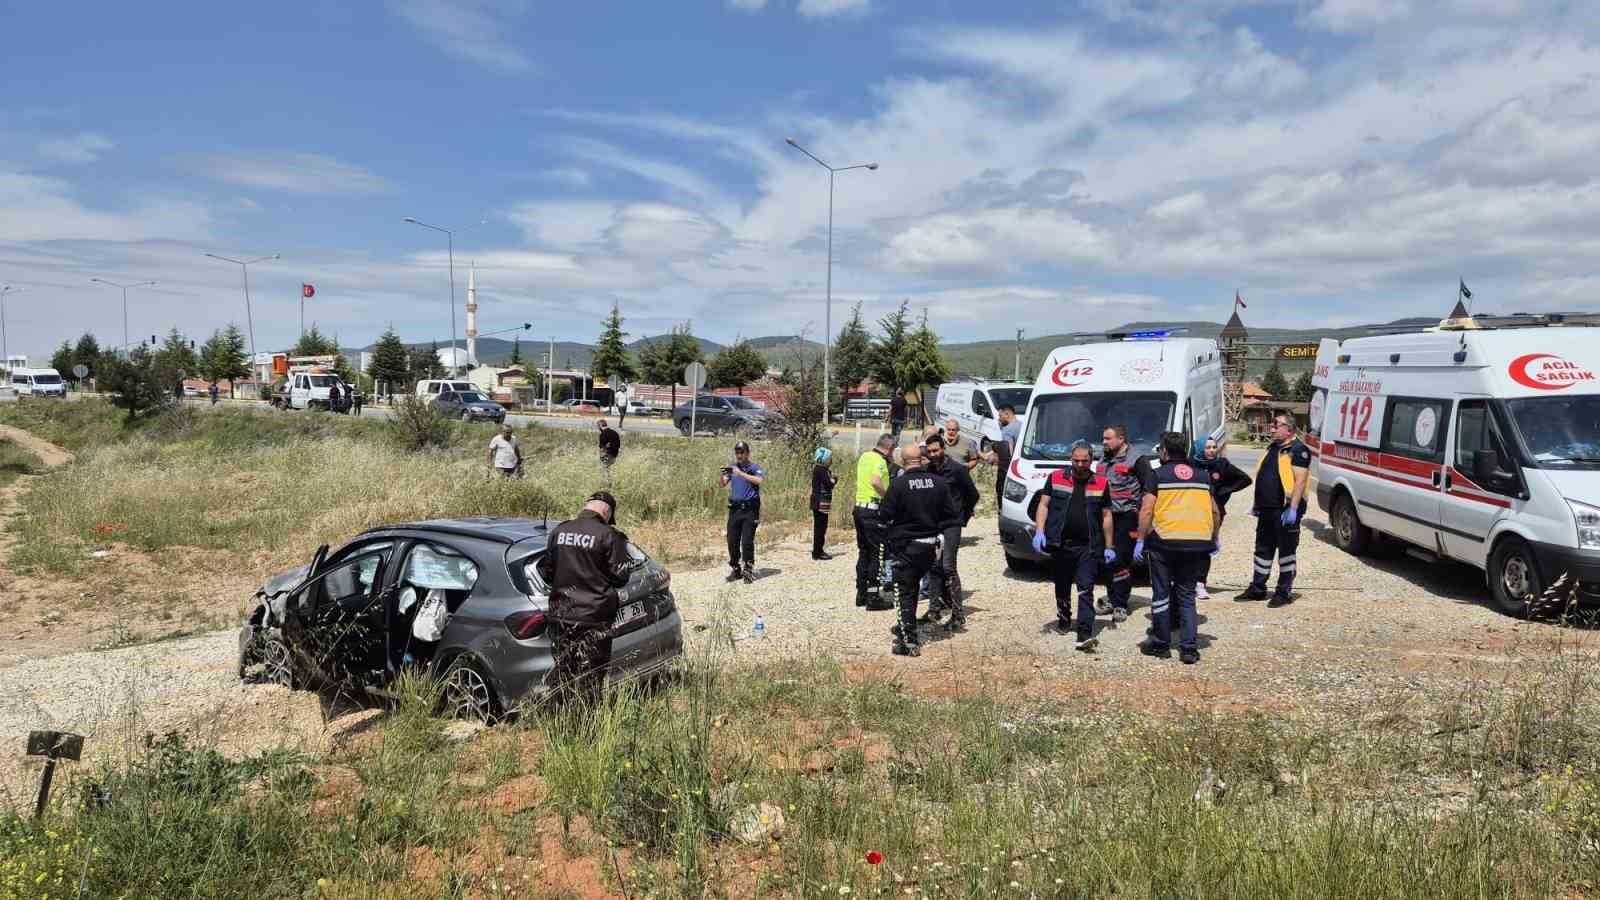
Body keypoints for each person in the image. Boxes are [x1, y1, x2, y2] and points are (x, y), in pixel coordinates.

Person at [537, 491, 631, 705]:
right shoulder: (609, 535)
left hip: (562, 615)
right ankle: (587, 723)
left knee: (563, 671)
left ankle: (561, 720)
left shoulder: (559, 531)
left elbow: (547, 571)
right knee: (592, 675)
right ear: (607, 512)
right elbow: (620, 577)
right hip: (595, 616)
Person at [1135, 432, 1220, 665]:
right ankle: (1189, 649)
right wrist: (1215, 536)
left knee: (1162, 593)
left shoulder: (1157, 475)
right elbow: (1214, 510)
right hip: (1196, 544)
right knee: (1187, 595)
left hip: (1165, 542)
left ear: (1164, 451)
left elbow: (1146, 510)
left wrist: (1141, 538)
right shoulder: (1203, 476)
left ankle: (1161, 644)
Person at [878, 444, 960, 657]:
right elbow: (951, 516)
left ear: (902, 460)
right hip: (930, 546)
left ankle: (908, 642)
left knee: (906, 591)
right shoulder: (939, 483)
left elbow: (884, 516)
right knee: (914, 588)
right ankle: (907, 625)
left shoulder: (899, 485)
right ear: (921, 459)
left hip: (906, 547)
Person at [1031, 441, 1110, 652]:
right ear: (1071, 460)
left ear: (1091, 460)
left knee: (1086, 588)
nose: (1081, 464)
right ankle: (1064, 619)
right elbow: (1044, 505)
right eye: (1077, 460)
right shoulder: (1056, 478)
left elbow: (1106, 515)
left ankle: (1084, 633)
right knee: (1062, 585)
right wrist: (1039, 531)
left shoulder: (1101, 483)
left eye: (1085, 461)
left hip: (1088, 546)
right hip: (1061, 544)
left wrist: (1109, 545)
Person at [1238, 414, 1312, 607]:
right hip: (1266, 509)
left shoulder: (1298, 450)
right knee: (1262, 549)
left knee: (1286, 552)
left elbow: (1300, 480)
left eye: (1276, 425)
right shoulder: (1273, 447)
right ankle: (1258, 588)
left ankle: (1283, 591)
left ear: (1289, 429)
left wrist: (1293, 509)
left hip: (1285, 510)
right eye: (1272, 425)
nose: (1271, 429)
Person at [920, 434, 980, 630]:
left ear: (943, 449)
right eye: (929, 451)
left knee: (948, 567)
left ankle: (957, 614)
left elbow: (973, 494)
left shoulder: (957, 470)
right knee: (933, 566)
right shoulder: (927, 470)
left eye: (936, 450)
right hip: (933, 524)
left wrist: (962, 516)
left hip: (952, 524)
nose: (932, 454)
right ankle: (934, 610)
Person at [1096, 424, 1149, 623]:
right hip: (1105, 516)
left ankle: (1120, 604)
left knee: (1122, 561)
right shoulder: (1104, 457)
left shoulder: (1137, 459)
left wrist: (1144, 519)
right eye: (1103, 438)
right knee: (1107, 560)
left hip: (1127, 516)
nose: (1104, 442)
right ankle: (1111, 597)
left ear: (1121, 439)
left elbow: (1149, 490)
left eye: (1108, 438)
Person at [1192, 437, 1252, 599]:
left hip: (1214, 513)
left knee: (1205, 547)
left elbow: (1245, 479)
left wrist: (1223, 491)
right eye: (1208, 447)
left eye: (1214, 447)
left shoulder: (1222, 465)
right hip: (1192, 513)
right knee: (1189, 546)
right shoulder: (1191, 465)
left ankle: (1200, 583)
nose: (1212, 450)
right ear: (1199, 449)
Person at [854, 434, 897, 610]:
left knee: (863, 551)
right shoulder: (880, 461)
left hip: (859, 509)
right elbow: (875, 481)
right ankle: (873, 597)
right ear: (890, 449)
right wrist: (889, 498)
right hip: (873, 510)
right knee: (876, 554)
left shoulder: (865, 456)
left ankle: (861, 593)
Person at [719, 440, 765, 584]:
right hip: (735, 509)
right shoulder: (733, 468)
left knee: (746, 541)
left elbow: (759, 480)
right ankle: (736, 568)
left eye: (742, 452)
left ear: (747, 453)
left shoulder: (754, 467)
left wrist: (741, 473)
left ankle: (748, 570)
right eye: (737, 452)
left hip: (750, 510)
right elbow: (722, 484)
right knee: (732, 541)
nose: (739, 455)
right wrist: (723, 476)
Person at [810, 447, 838, 560]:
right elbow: (829, 484)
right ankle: (818, 552)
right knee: (820, 528)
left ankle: (818, 550)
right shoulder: (820, 470)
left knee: (821, 527)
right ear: (825, 459)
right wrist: (835, 480)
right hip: (820, 503)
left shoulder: (822, 469)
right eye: (830, 458)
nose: (831, 460)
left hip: (821, 502)